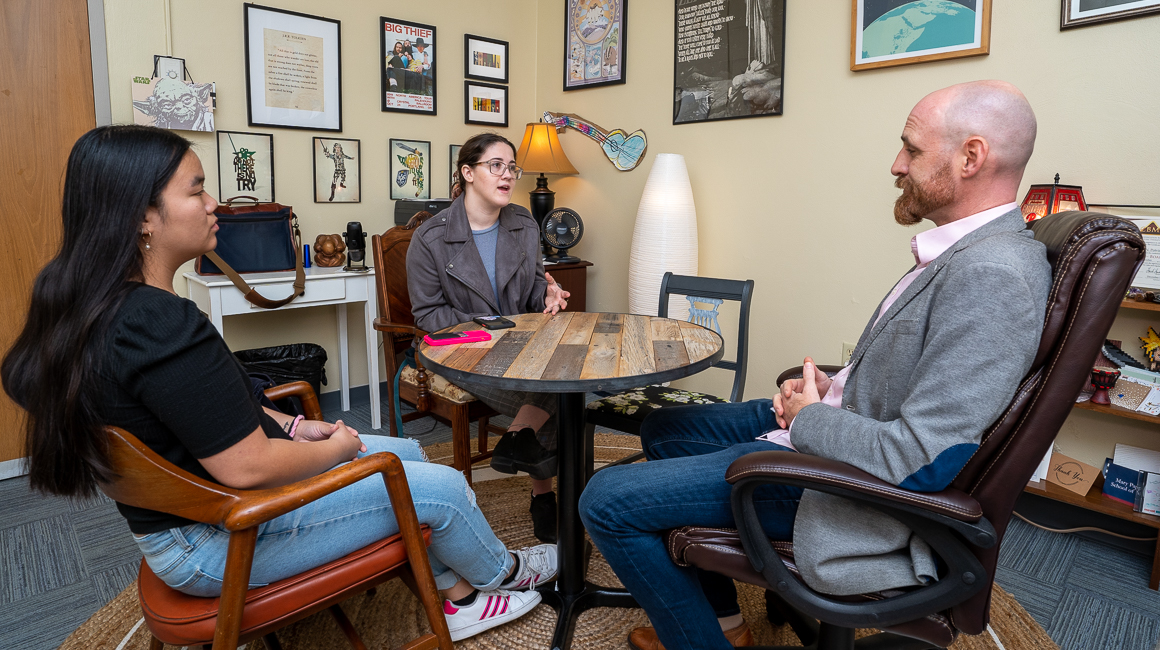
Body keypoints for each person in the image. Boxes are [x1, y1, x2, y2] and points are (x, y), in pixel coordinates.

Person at [0, 125, 557, 643]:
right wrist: (338, 445)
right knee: (445, 488)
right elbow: (246, 468)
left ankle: (454, 595)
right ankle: (504, 574)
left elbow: (198, 412)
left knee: (409, 449)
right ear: (142, 217)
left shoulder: (107, 306)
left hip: (197, 513)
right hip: (218, 535)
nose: (214, 203)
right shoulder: (156, 322)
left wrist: (290, 424)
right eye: (196, 191)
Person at [579, 80, 1052, 650]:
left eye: (912, 149)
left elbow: (922, 461)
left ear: (971, 157)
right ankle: (726, 620)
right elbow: (918, 375)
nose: (897, 165)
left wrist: (807, 420)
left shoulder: (993, 275)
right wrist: (835, 387)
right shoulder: (964, 252)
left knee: (604, 501)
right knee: (666, 429)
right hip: (841, 426)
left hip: (845, 490)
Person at [406, 133, 571, 544]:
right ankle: (542, 493)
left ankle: (517, 438)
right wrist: (490, 326)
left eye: (512, 167)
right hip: (461, 350)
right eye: (496, 165)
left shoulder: (523, 224)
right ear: (467, 173)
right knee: (557, 393)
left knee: (573, 377)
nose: (508, 175)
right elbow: (427, 314)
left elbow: (532, 292)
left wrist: (548, 294)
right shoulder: (430, 239)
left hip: (519, 343)